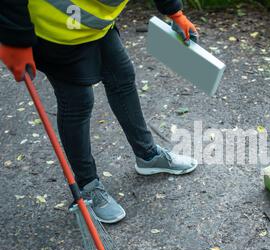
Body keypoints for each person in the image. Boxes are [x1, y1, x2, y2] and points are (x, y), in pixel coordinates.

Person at [0, 0, 198, 223]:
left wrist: (175, 12)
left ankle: (148, 156)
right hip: (55, 35)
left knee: (122, 78)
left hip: (96, 27)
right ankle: (88, 186)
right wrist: (14, 40)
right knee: (78, 102)